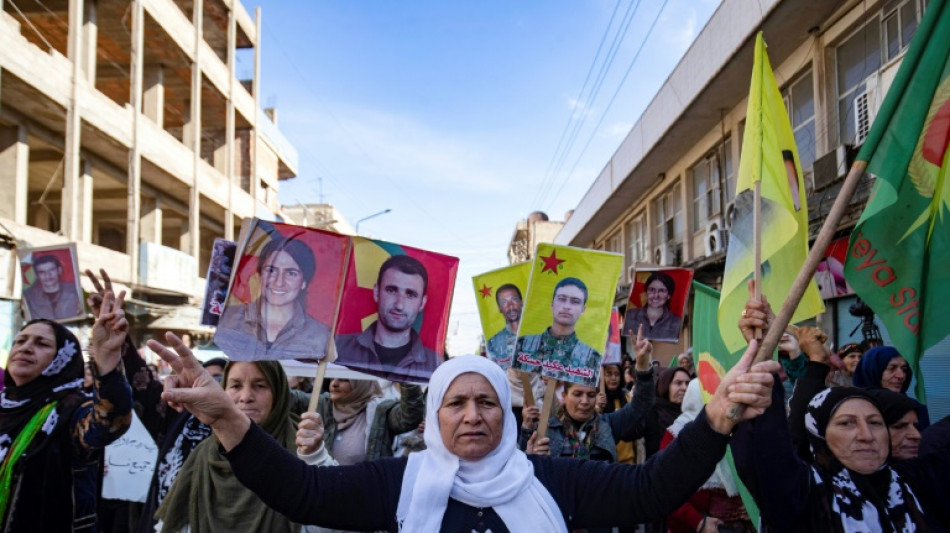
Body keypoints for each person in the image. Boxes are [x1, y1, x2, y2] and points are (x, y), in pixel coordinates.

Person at [151, 331, 780, 532]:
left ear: (506, 415)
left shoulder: (553, 481)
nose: (473, 415)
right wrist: (228, 418)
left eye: (486, 402)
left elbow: (649, 490)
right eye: (455, 403)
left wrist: (716, 420)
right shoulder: (400, 483)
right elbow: (303, 493)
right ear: (434, 418)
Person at [732, 385, 950, 531]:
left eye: (875, 423)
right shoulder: (804, 493)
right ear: (820, 435)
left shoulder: (918, 480)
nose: (866, 435)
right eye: (847, 423)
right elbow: (763, 443)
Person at [0, 291, 133, 531]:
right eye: (21, 341)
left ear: (63, 357)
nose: (26, 348)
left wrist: (106, 358)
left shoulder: (71, 410)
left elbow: (109, 424)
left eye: (41, 343)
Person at [154, 360, 302, 532]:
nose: (246, 397)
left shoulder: (304, 449)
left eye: (260, 386)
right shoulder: (204, 454)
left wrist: (315, 455)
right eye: (236, 386)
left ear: (278, 392)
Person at [520, 324, 655, 470]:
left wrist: (643, 368)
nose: (585, 401)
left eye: (591, 395)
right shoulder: (547, 429)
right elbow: (523, 466)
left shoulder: (608, 424)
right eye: (577, 394)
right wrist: (532, 453)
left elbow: (640, 406)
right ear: (564, 396)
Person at [215, 236, 332, 361]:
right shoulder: (226, 319)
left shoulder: (321, 336)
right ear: (260, 275)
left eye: (291, 273)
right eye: (271, 270)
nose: (278, 282)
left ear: (304, 282)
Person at [662, 380, 755, 533]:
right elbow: (666, 490)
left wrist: (751, 505)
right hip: (695, 526)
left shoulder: (735, 428)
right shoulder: (676, 434)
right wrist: (698, 522)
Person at [335, 255, 440, 383]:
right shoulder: (337, 348)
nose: (399, 305)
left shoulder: (436, 365)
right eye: (391, 290)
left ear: (422, 303)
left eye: (410, 295)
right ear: (376, 293)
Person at [298, 378, 423, 465]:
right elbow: (291, 398)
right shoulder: (324, 404)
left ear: (361, 384)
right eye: (332, 379)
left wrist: (407, 378)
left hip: (366, 489)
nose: (334, 384)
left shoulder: (381, 411)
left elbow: (410, 417)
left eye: (344, 380)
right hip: (328, 486)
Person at [513, 277, 602, 388]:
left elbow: (590, 393)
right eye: (562, 299)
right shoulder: (523, 344)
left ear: (583, 309)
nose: (567, 306)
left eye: (575, 302)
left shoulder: (592, 357)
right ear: (552, 303)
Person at [852, 345, 930, 429]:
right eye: (891, 368)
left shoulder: (915, 407)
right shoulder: (851, 407)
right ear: (872, 371)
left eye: (904, 369)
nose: (901, 376)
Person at [637, 365, 691, 458]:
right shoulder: (651, 413)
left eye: (687, 383)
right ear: (665, 386)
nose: (684, 388)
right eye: (678, 383)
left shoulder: (693, 414)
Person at [623, 271, 682, 342]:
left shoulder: (677, 323)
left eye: (661, 291)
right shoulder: (629, 316)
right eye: (652, 290)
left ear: (669, 295)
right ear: (646, 293)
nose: (656, 295)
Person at [22, 253, 83, 320]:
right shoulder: (28, 297)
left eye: (51, 270)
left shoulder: (76, 290)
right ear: (37, 275)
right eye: (42, 272)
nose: (47, 275)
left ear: (59, 270)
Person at [486, 284, 522, 367]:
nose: (511, 306)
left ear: (521, 302)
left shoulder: (538, 336)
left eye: (514, 299)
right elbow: (493, 370)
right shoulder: (493, 343)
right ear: (499, 308)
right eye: (504, 302)